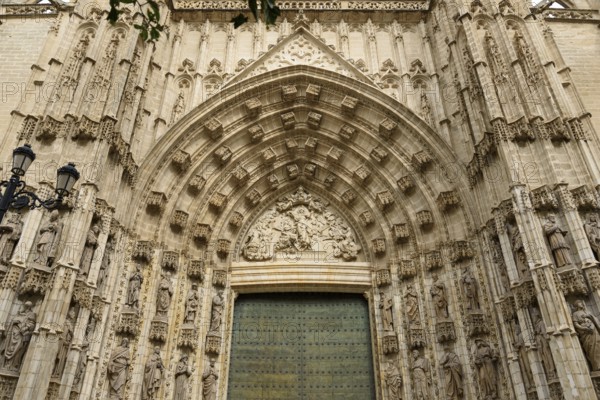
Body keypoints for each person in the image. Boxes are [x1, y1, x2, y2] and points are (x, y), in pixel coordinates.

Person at [2, 301, 36, 371]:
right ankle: (7, 365)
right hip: (13, 334)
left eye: (26, 306)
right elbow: (13, 321)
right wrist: (14, 322)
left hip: (21, 335)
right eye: (24, 306)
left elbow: (32, 324)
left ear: (29, 307)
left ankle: (13, 366)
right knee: (10, 348)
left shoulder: (31, 314)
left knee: (18, 349)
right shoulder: (19, 314)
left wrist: (24, 328)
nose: (24, 307)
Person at [572, 300, 600, 371]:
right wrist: (584, 328)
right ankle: (596, 366)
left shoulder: (588, 312)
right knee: (591, 348)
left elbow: (595, 320)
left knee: (598, 346)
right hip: (585, 333)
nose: (581, 304)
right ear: (576, 305)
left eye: (581, 303)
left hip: (593, 331)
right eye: (579, 303)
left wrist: (589, 316)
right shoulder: (575, 314)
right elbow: (576, 324)